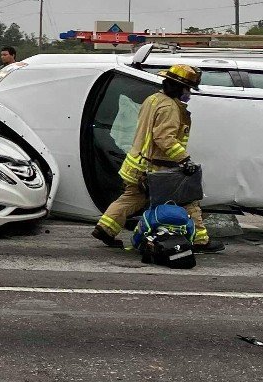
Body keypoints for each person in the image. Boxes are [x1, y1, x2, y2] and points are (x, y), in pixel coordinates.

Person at [92, 62, 221, 252]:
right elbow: (164, 138)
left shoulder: (153, 99)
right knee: (187, 200)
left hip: (137, 164)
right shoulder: (170, 107)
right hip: (156, 168)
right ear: (179, 87)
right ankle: (201, 241)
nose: (189, 94)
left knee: (130, 199)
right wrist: (184, 160)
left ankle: (105, 228)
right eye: (188, 89)